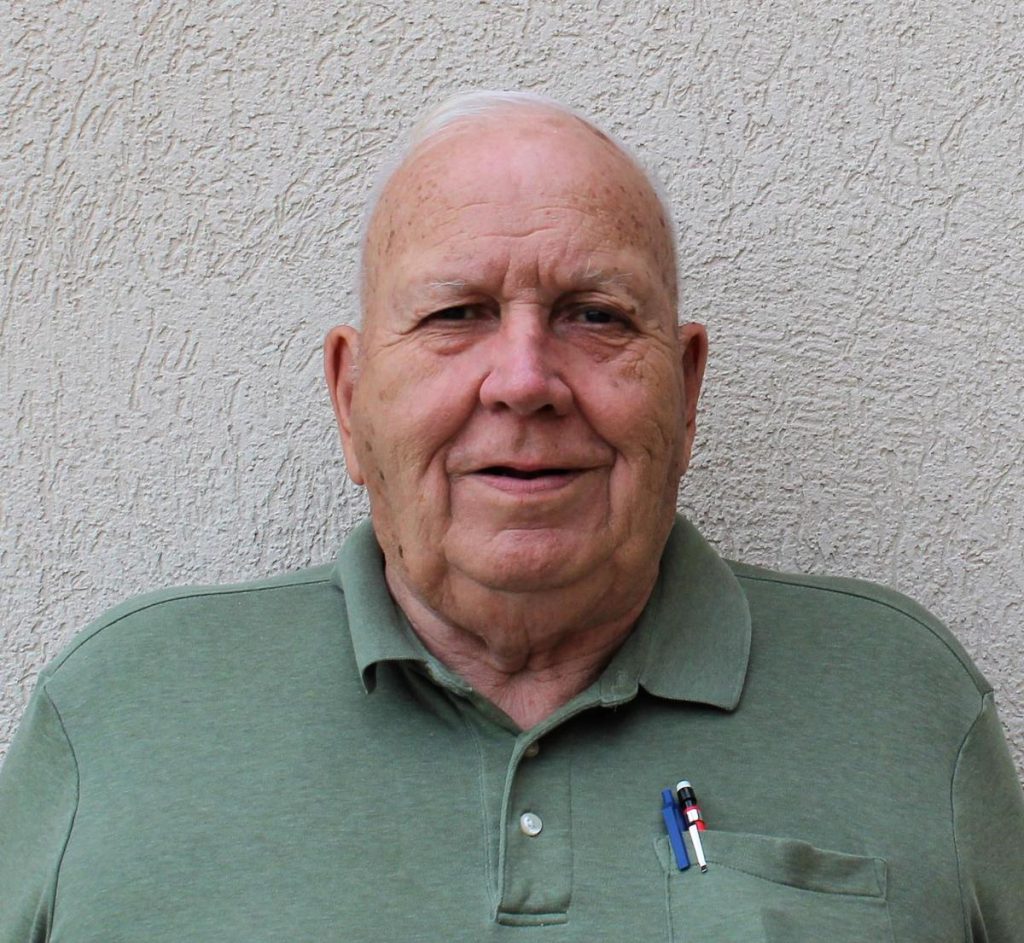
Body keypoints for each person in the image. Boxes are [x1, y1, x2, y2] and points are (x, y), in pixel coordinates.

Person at [1, 91, 1022, 942]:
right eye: (456, 315)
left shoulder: (911, 712)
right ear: (351, 399)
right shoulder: (120, 719)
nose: (525, 379)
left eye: (596, 316)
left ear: (687, 386)